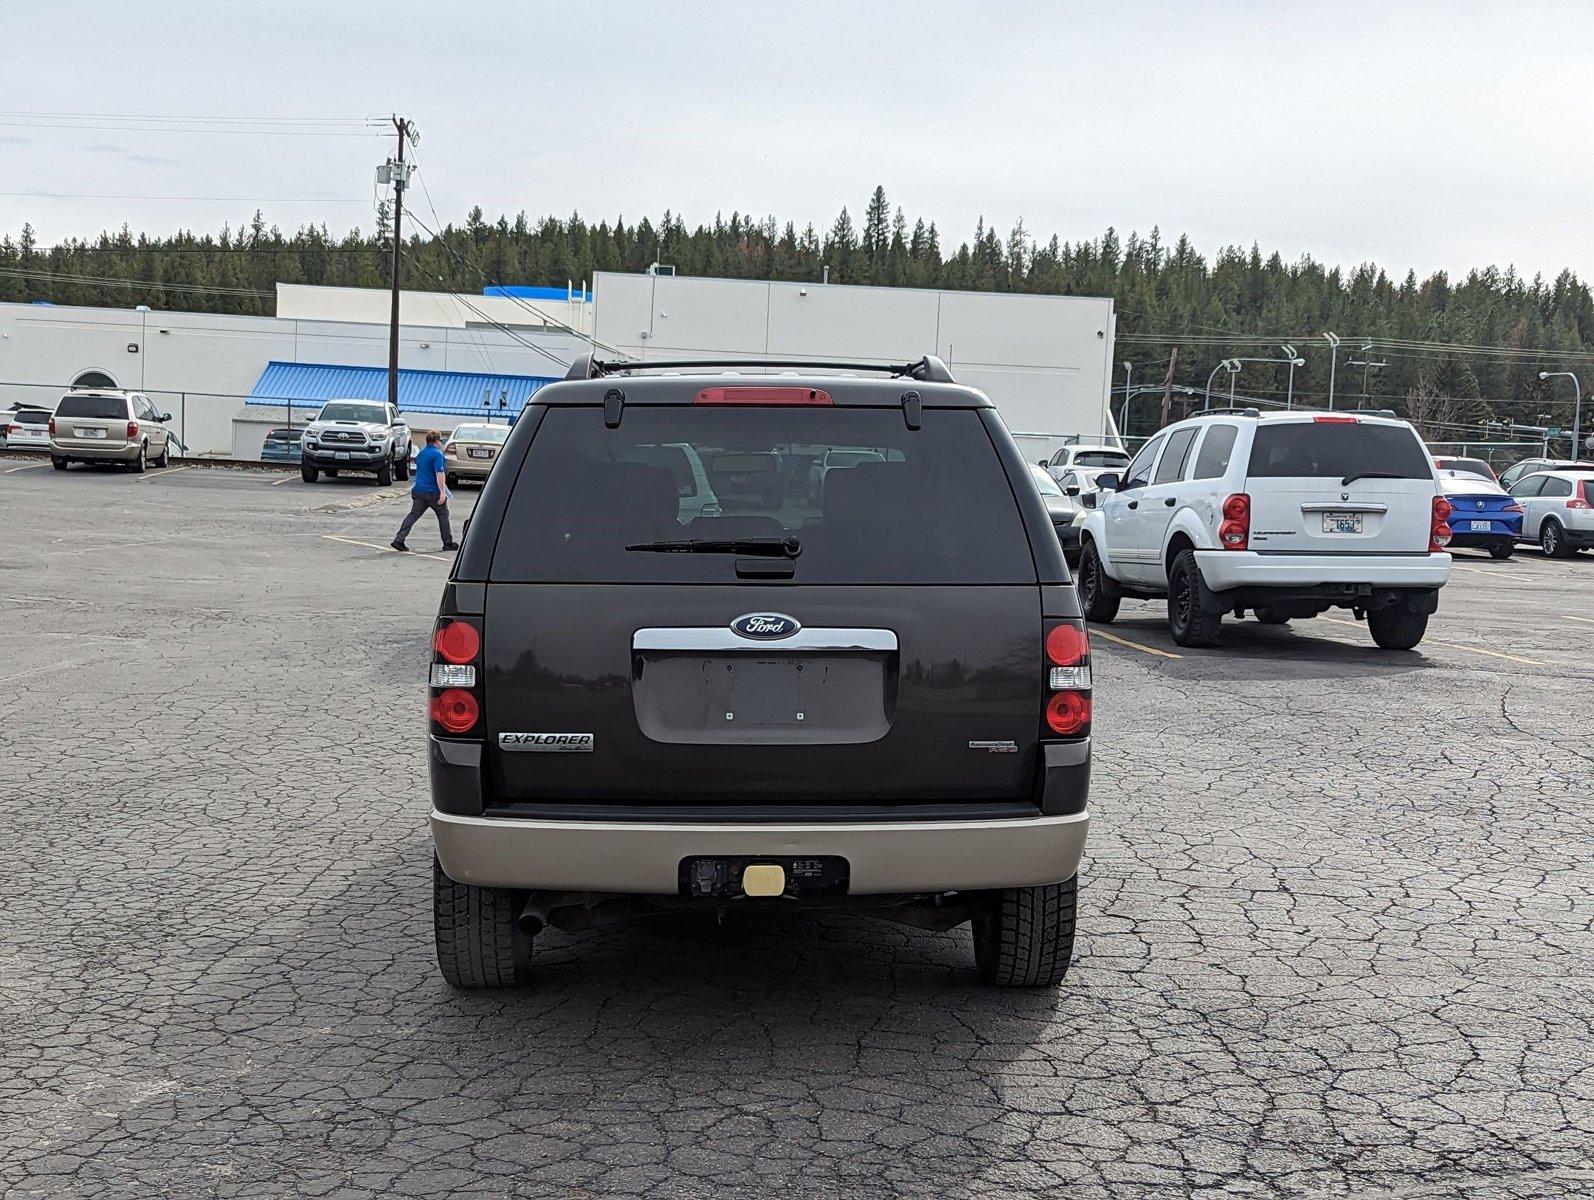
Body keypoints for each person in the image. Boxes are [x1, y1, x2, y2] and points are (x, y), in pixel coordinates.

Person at [392, 430, 458, 552]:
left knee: (413, 515)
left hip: (419, 490)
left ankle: (399, 539)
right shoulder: (437, 455)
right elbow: (440, 473)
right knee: (443, 515)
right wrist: (443, 492)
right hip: (433, 492)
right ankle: (447, 542)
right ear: (437, 441)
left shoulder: (421, 453)